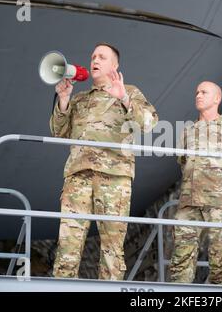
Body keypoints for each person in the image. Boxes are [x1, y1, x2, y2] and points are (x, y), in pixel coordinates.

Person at [50, 42, 158, 280]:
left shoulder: (129, 91)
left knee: (111, 248)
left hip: (114, 178)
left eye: (101, 57)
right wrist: (64, 100)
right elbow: (59, 133)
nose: (94, 61)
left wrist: (125, 98)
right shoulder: (80, 99)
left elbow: (149, 124)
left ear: (115, 65)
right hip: (78, 176)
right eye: (93, 57)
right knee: (68, 244)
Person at [169, 81, 222, 285]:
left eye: (204, 92)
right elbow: (183, 164)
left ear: (217, 98)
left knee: (221, 258)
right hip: (189, 202)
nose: (198, 95)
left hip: (221, 202)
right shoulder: (187, 132)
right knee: (181, 258)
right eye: (196, 92)